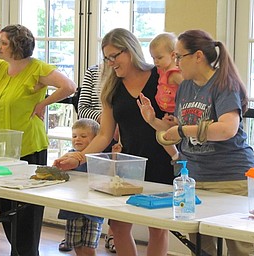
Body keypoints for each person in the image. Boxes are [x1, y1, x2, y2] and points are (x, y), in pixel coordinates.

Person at [137, 29, 254, 256]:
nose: (175, 63)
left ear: (198, 56)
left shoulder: (224, 84)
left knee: (241, 248)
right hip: (194, 180)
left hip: (230, 179)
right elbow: (179, 131)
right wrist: (153, 121)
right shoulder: (184, 86)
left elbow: (227, 129)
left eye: (179, 56)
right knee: (201, 247)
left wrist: (182, 129)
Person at [54, 27, 174, 256]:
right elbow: (104, 134)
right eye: (107, 58)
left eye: (114, 56)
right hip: (129, 164)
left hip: (162, 161)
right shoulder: (111, 88)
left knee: (158, 227)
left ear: (130, 50)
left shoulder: (160, 77)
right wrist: (78, 157)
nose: (111, 63)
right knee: (118, 225)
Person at [0, 24, 76, 256]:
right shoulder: (0, 68)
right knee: (7, 214)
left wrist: (43, 104)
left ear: (16, 47)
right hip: (3, 153)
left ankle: (28, 253)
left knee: (26, 219)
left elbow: (69, 86)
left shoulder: (37, 68)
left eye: (2, 43)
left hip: (30, 148)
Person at [59, 64, 117, 253]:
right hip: (99, 131)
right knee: (77, 237)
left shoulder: (126, 75)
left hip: (113, 138)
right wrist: (106, 119)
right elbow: (82, 107)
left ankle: (112, 235)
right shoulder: (93, 72)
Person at [58, 118, 104, 256]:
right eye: (74, 136)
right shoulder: (68, 156)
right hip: (73, 208)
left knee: (89, 246)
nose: (78, 139)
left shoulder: (99, 158)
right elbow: (58, 170)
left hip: (93, 209)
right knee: (75, 243)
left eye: (83, 136)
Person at [149, 32, 183, 175]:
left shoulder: (174, 73)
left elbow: (188, 90)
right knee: (161, 133)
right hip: (168, 113)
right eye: (153, 58)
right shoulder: (161, 71)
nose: (156, 61)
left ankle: (178, 157)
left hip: (179, 112)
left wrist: (178, 115)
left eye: (160, 57)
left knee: (172, 132)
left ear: (173, 55)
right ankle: (176, 156)